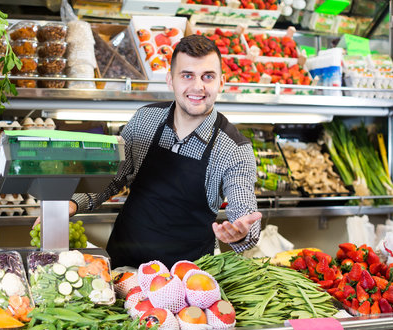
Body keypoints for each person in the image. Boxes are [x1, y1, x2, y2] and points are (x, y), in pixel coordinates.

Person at [37, 35, 262, 268]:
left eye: (208, 76)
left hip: (183, 280)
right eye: (187, 75)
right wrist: (72, 204)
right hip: (123, 265)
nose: (198, 86)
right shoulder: (145, 119)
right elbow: (113, 177)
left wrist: (241, 233)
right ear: (170, 80)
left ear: (221, 82)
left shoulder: (234, 149)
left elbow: (244, 211)